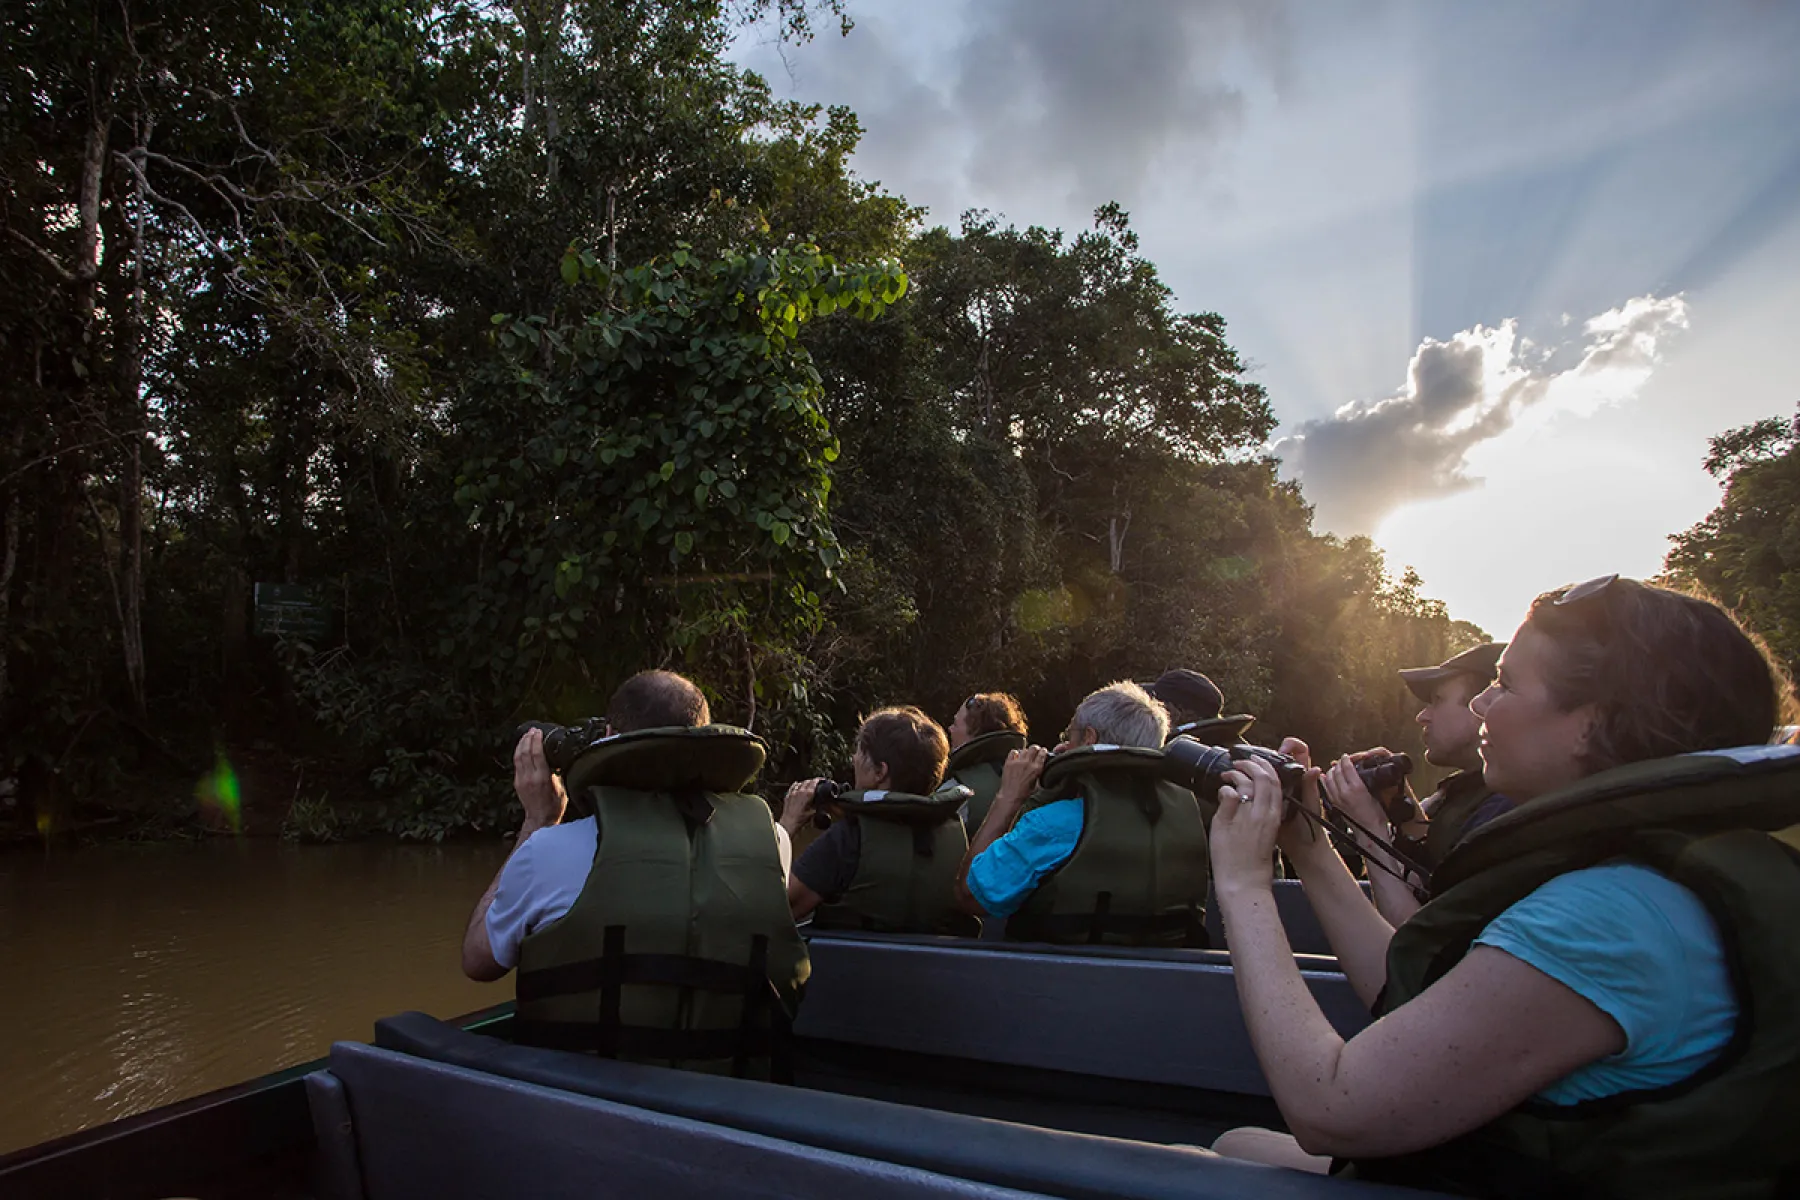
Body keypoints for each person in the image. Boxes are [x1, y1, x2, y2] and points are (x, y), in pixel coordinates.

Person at [1207, 577, 1800, 1195]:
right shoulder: (1664, 869)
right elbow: (1426, 1000)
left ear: (1592, 724)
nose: (1485, 705)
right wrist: (1310, 847)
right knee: (1237, 1145)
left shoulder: (1608, 915)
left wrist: (1244, 883)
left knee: (1215, 1154)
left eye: (1508, 684)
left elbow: (1330, 1109)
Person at [460, 670, 806, 1076]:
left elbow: (478, 960)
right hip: (731, 1100)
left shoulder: (548, 851)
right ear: (704, 739)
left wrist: (538, 820)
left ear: (609, 736)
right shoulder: (773, 841)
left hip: (588, 1105)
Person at [956, 681, 1210, 947]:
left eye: (1069, 735)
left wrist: (1008, 797)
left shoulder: (1053, 824)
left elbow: (971, 895)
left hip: (1061, 980)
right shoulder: (1190, 816)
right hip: (1169, 981)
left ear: (1089, 738)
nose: (1063, 744)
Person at [1329, 642, 1507, 925]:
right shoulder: (1469, 792)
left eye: (1438, 700)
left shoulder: (1503, 811)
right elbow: (1433, 878)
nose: (1422, 715)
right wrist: (1403, 811)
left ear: (1483, 706)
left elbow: (1422, 947)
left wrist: (1369, 830)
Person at [781, 706, 978, 936]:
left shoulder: (848, 838)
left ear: (880, 772)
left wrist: (786, 826)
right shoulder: (957, 836)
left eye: (860, 752)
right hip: (935, 968)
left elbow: (777, 912)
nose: (853, 759)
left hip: (850, 968)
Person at [944, 692, 1029, 834]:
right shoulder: (1032, 779)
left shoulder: (956, 791)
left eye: (956, 723)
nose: (950, 729)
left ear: (974, 733)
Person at [1149, 668, 1255, 747]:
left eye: (1158, 702)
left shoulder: (1190, 756)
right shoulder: (1224, 743)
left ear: (1185, 713)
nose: (1152, 707)